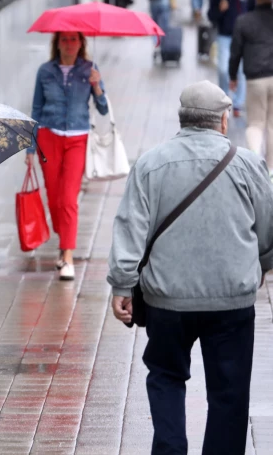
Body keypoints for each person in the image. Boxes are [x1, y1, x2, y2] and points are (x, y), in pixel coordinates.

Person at [108, 80, 273, 454]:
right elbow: (268, 228)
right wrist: (258, 266)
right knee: (229, 394)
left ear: (181, 119)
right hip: (232, 300)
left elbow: (130, 227)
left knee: (166, 377)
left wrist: (122, 285)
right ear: (224, 120)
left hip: (168, 299)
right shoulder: (248, 163)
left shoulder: (151, 163)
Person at [26, 32, 108, 281]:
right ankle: (64, 241)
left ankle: (68, 255)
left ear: (81, 43)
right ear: (57, 43)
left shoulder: (90, 70)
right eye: (64, 39)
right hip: (48, 138)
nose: (69, 44)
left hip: (77, 139)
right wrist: (31, 148)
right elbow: (36, 109)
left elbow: (103, 109)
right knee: (53, 198)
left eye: (74, 40)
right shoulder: (45, 71)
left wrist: (97, 85)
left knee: (68, 197)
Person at [229, 0, 273, 174]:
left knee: (255, 123)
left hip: (255, 79)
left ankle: (255, 165)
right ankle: (271, 169)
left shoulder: (244, 21)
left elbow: (235, 52)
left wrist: (233, 76)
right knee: (272, 124)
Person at [207, 0, 249, 116]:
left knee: (241, 71)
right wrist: (220, 10)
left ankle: (238, 103)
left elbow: (253, 10)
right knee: (223, 69)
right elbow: (211, 16)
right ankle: (224, 100)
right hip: (224, 36)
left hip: (243, 37)